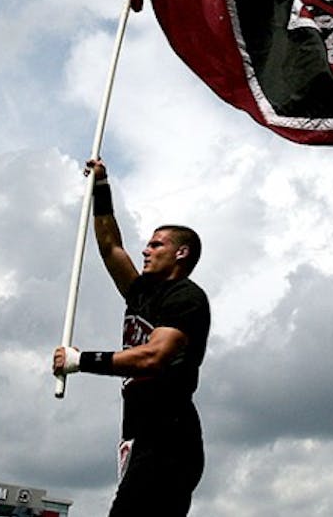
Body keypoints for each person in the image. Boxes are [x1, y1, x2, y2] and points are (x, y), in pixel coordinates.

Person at [52, 157, 211, 516]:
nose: (146, 250)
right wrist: (101, 188)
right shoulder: (142, 293)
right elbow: (111, 247)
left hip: (169, 436)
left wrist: (81, 361)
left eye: (156, 245)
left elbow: (153, 357)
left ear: (180, 253)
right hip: (139, 434)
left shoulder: (186, 298)